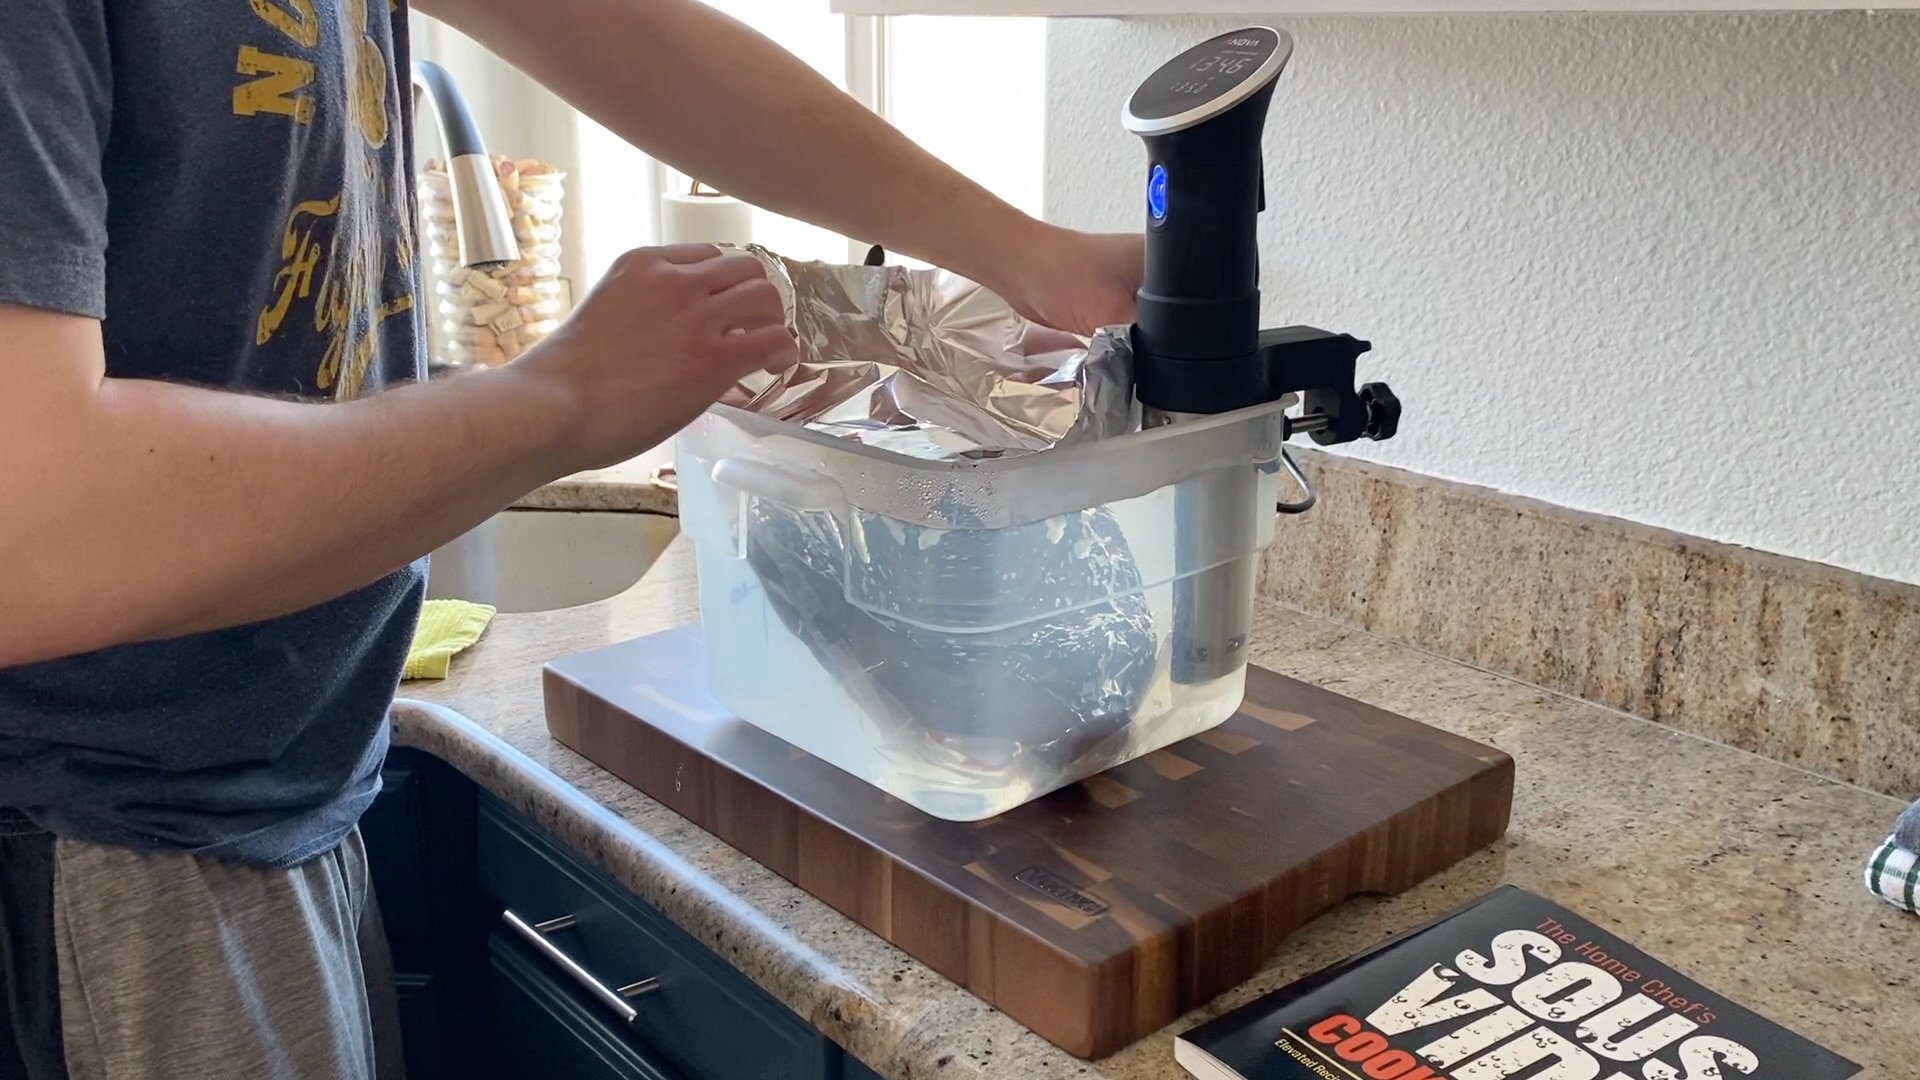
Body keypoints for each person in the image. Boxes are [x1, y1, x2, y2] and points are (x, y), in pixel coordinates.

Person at [0, 0, 1143, 1076]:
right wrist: (562, 401)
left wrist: (1031, 255)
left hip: (272, 782)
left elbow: (603, 26)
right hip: (98, 836)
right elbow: (36, 531)